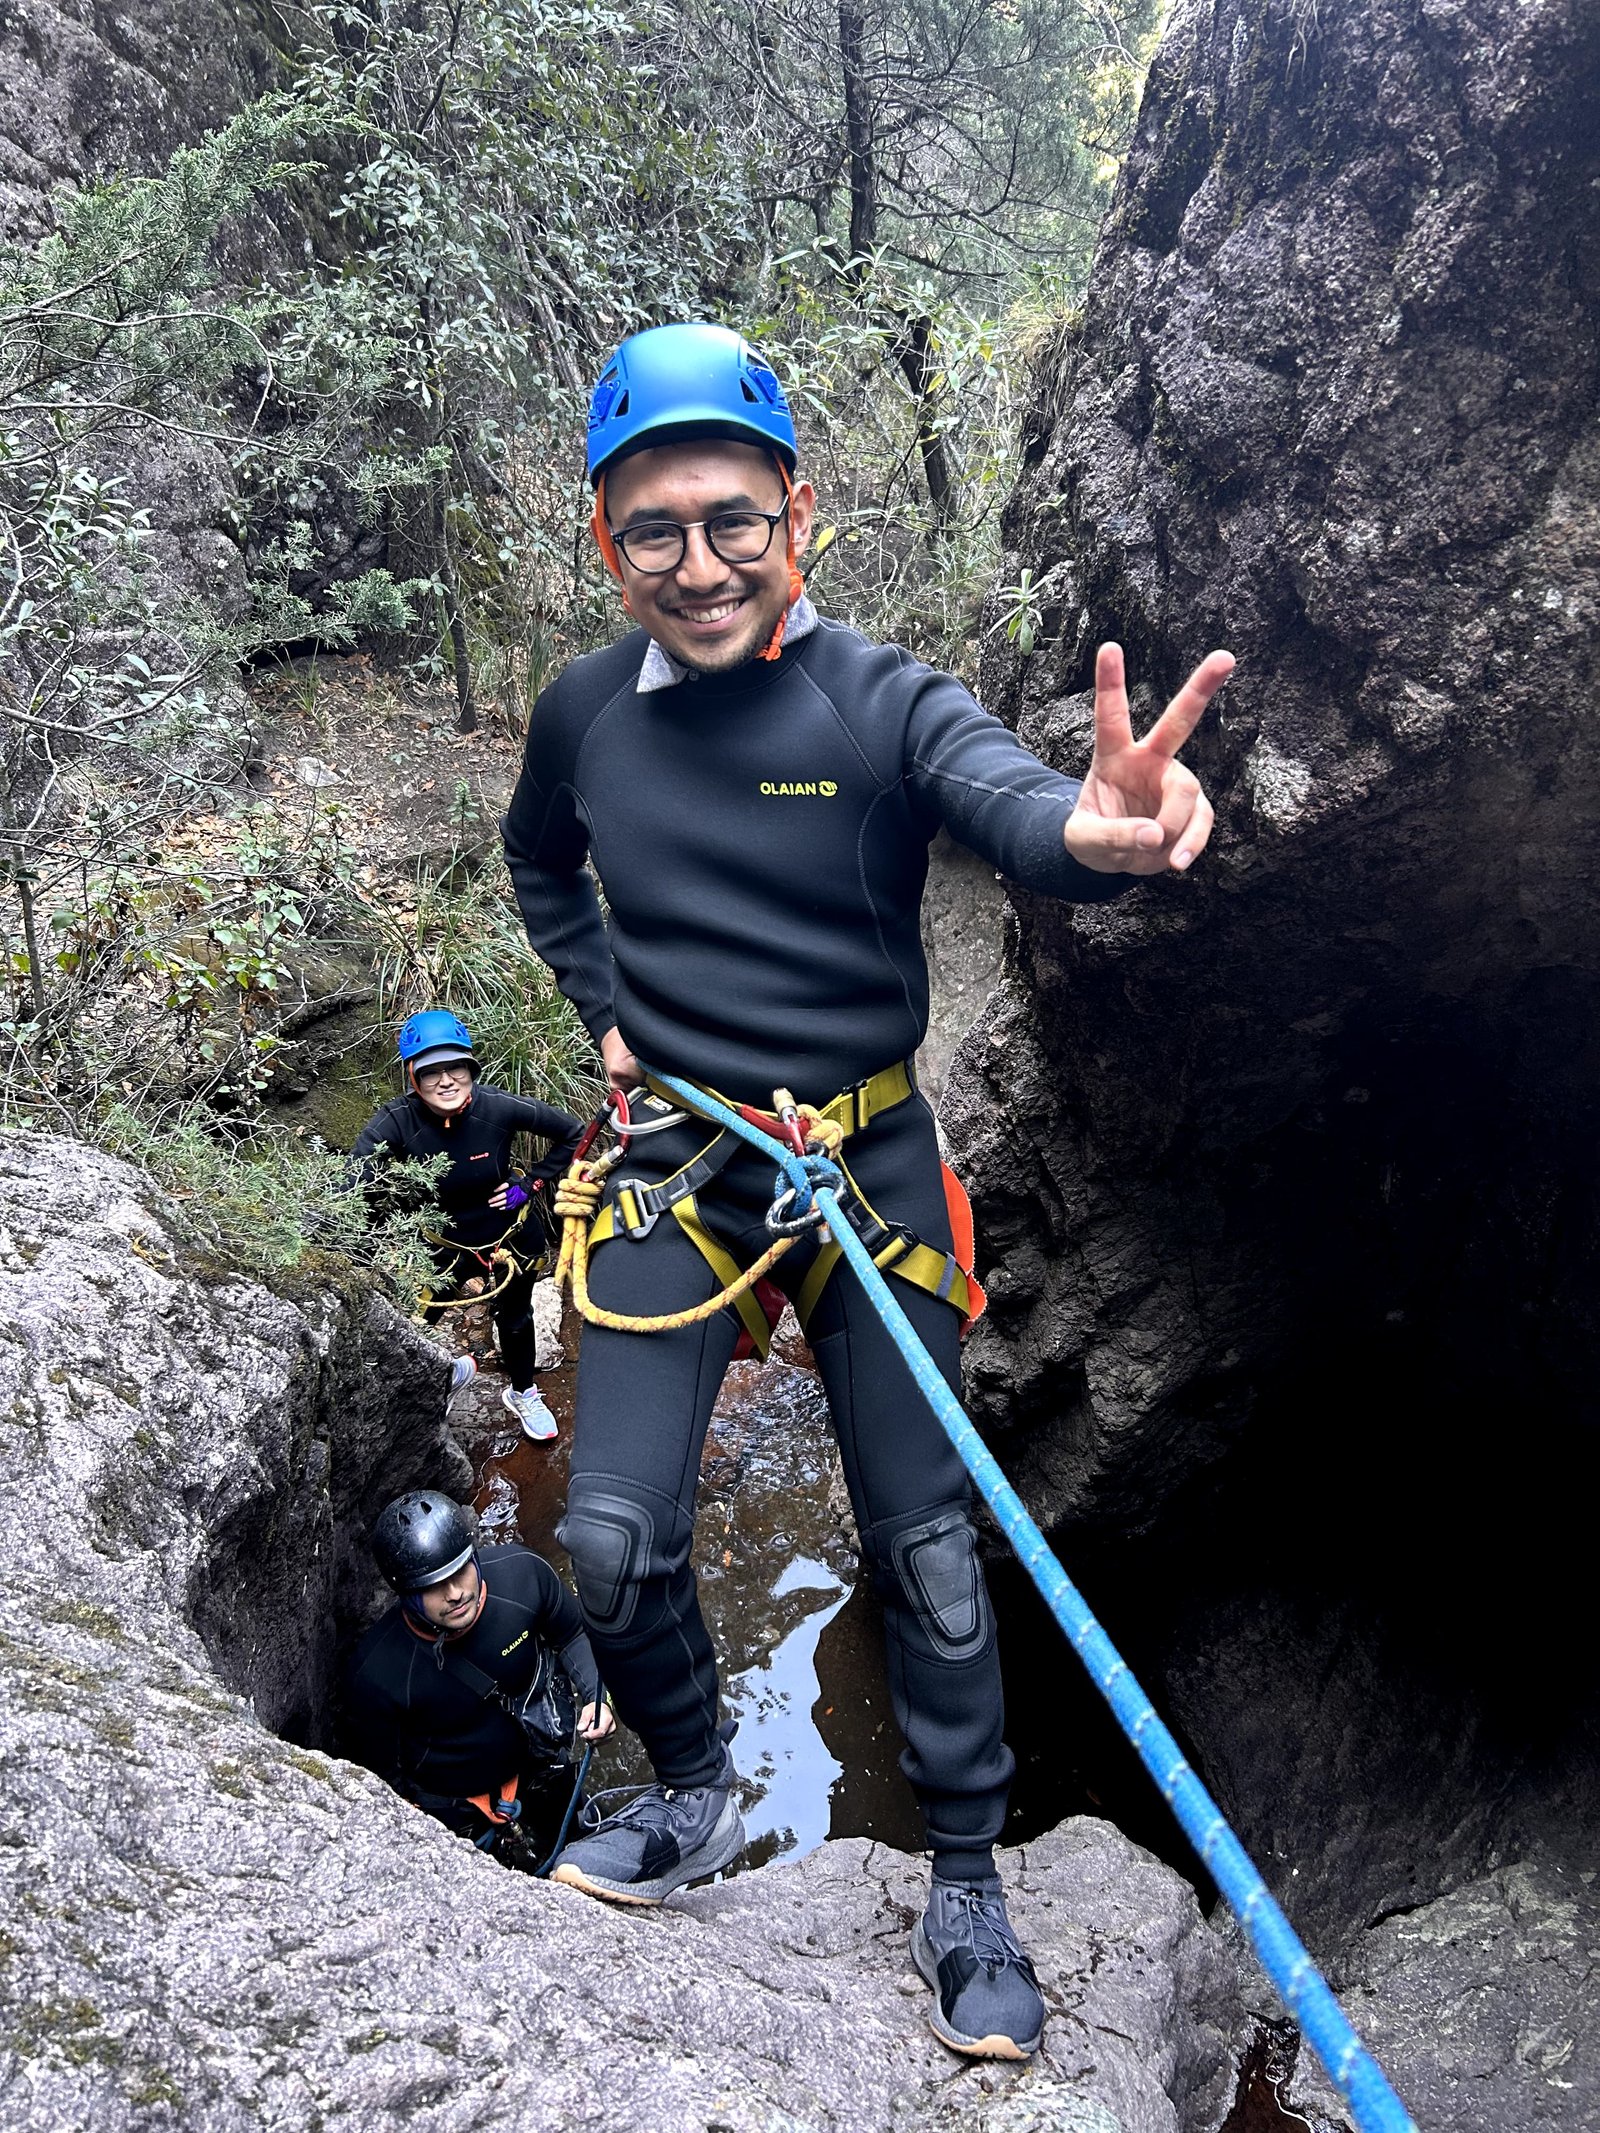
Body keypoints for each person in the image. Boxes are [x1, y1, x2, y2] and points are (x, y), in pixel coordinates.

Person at [500, 321, 1232, 2057]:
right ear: (609, 542)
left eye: (731, 518)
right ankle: (688, 1786)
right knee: (608, 1537)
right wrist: (609, 1016)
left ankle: (965, 1874)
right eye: (654, 528)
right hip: (682, 1156)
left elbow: (1012, 803)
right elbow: (540, 857)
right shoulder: (585, 713)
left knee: (929, 1547)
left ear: (797, 513)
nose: (697, 562)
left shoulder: (876, 699)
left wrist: (1101, 834)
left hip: (864, 1156)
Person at [343, 1490, 614, 1864]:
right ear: (404, 1593)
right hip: (460, 1813)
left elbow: (572, 1635)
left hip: (541, 1766)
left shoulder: (523, 1578)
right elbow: (383, 1777)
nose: (455, 1593)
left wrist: (596, 1697)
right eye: (433, 1586)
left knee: (577, 1848)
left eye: (460, 1571)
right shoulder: (378, 1672)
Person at [351, 1011, 584, 1439]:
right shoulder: (396, 1122)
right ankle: (443, 1375)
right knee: (414, 1322)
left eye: (456, 1067)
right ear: (412, 1076)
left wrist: (531, 1184)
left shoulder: (497, 1107)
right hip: (443, 1245)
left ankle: (523, 1391)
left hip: (510, 1237)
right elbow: (353, 1180)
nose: (446, 1080)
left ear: (471, 1068)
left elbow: (575, 1133)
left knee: (516, 1319)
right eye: (431, 1071)